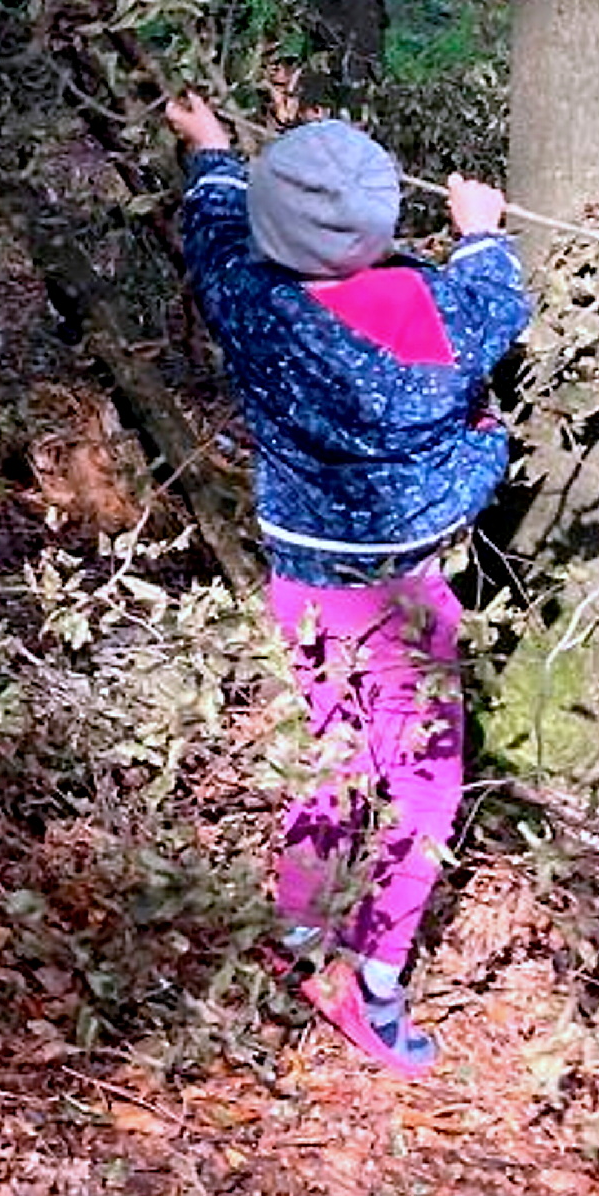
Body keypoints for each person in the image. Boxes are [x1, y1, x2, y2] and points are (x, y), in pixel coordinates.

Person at [164, 92, 529, 1077]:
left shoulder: (253, 301)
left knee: (334, 756)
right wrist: (480, 232)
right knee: (423, 788)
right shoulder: (446, 309)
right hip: (405, 592)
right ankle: (371, 985)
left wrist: (209, 152)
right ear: (380, 224)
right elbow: (502, 298)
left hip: (304, 582)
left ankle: (295, 936)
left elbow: (210, 228)